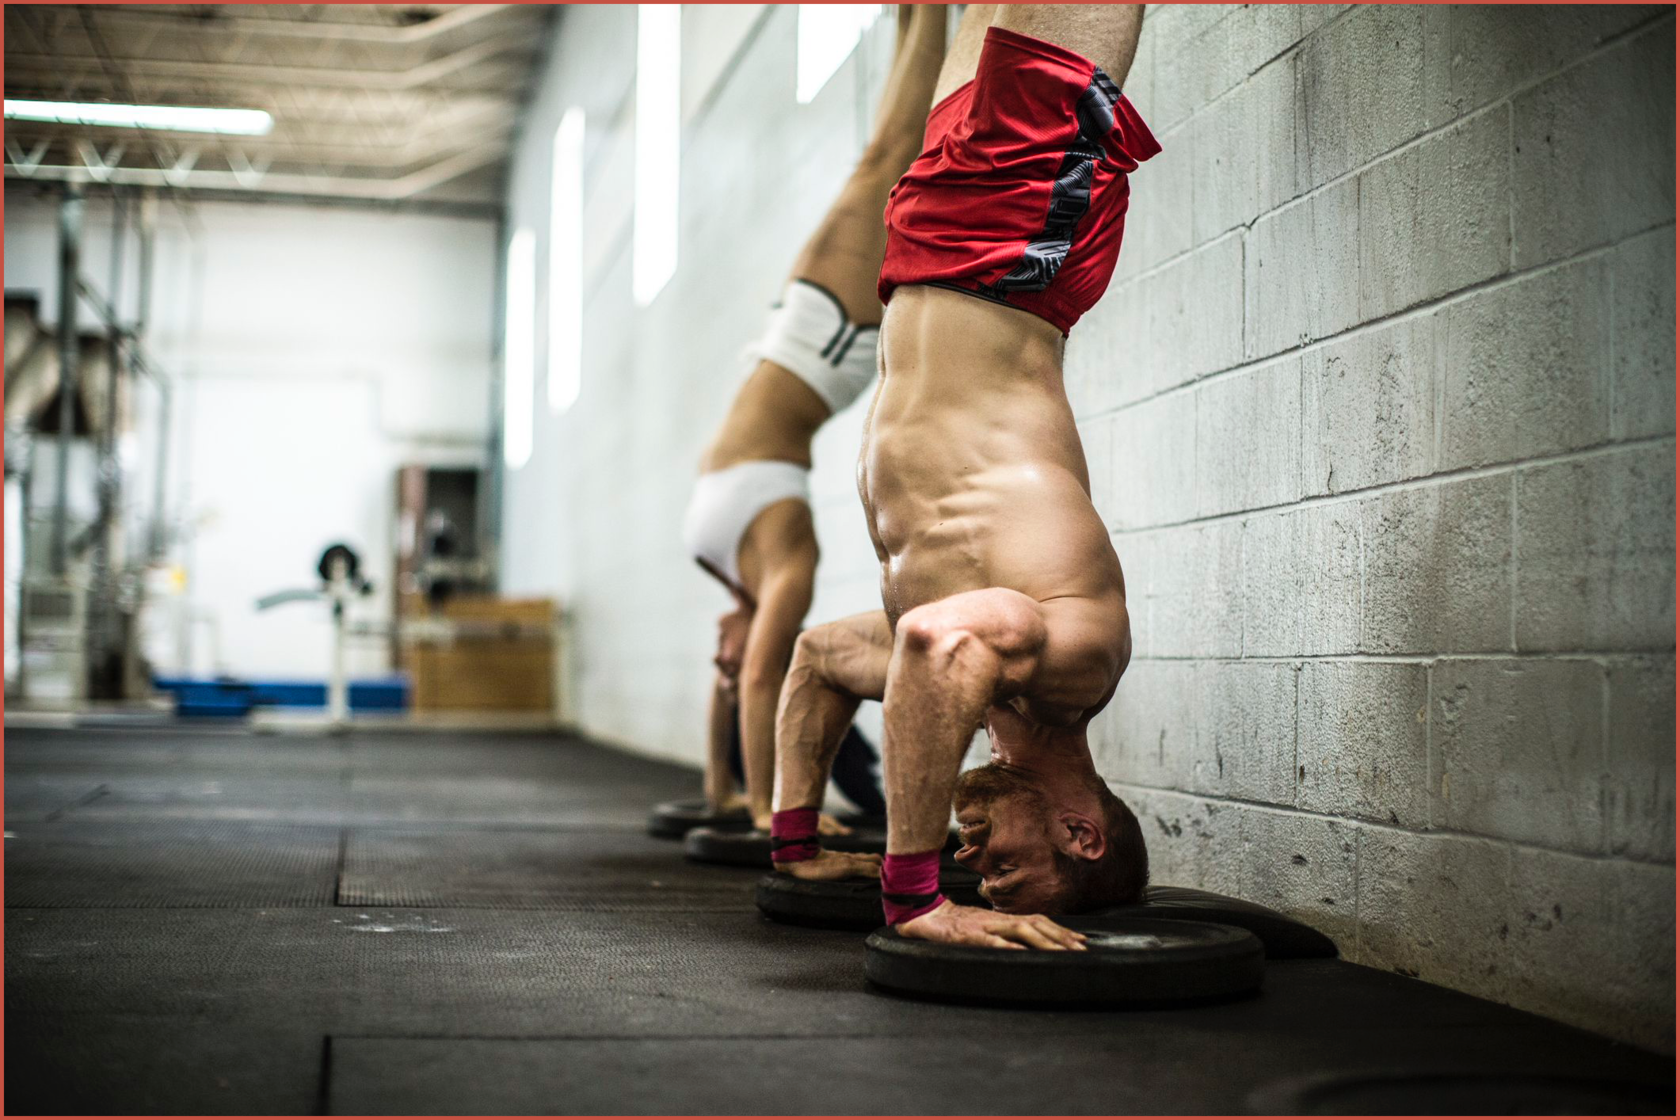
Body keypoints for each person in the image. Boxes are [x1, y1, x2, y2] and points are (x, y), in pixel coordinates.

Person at [767, 3, 1157, 950]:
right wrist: (915, 900)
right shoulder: (1072, 670)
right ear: (1082, 832)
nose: (976, 862)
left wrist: (797, 843)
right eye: (1007, 871)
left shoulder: (984, 681)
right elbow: (939, 641)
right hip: (1011, 248)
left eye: (972, 876)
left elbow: (819, 661)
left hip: (939, 252)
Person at [682, 4, 948, 833]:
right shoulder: (740, 558)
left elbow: (763, 679)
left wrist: (766, 810)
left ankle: (927, 15)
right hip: (777, 401)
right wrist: (719, 791)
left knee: (887, 157)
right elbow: (734, 678)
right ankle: (916, 21)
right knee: (895, 160)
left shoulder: (788, 547)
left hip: (818, 335)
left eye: (725, 648)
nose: (727, 654)